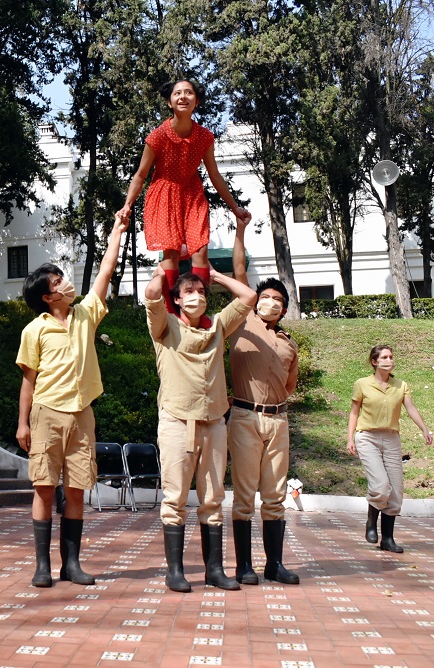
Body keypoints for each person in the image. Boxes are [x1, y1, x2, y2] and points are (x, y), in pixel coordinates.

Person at [16, 215, 129, 588]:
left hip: (82, 414)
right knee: (44, 489)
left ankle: (72, 565)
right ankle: (42, 566)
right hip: (47, 414)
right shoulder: (34, 330)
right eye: (58, 281)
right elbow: (28, 380)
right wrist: (23, 423)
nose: (66, 282)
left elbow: (106, 272)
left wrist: (115, 232)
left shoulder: (85, 316)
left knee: (77, 488)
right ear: (48, 297)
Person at [144, 262, 256, 592]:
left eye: (201, 292)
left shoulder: (218, 326)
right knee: (176, 497)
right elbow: (152, 296)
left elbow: (249, 296)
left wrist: (215, 276)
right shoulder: (164, 327)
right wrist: (160, 274)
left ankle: (215, 570)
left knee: (213, 497)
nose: (197, 297)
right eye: (189, 292)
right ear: (176, 299)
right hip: (178, 422)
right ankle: (175, 572)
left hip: (215, 424)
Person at [116, 79, 251, 312]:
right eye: (177, 93)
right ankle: (173, 313)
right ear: (170, 102)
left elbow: (215, 175)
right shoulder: (157, 136)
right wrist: (127, 205)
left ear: (196, 101)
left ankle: (199, 309)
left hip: (193, 194)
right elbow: (140, 175)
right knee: (171, 254)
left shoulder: (204, 137)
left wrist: (234, 207)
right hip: (164, 194)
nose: (183, 97)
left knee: (200, 251)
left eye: (188, 93)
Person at [227, 217, 300, 586]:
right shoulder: (243, 323)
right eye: (266, 298)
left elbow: (290, 384)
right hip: (243, 417)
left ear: (284, 309)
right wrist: (240, 230)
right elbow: (239, 269)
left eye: (278, 300)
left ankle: (274, 564)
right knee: (244, 496)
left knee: (275, 495)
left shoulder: (289, 342)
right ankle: (244, 566)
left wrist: (277, 406)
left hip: (278, 421)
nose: (271, 303)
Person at [346, 345, 433, 553]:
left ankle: (388, 539)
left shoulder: (400, 385)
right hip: (367, 437)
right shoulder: (362, 384)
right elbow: (354, 413)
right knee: (380, 485)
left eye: (391, 356)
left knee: (395, 490)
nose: (389, 360)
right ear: (374, 362)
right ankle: (370, 523)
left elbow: (410, 407)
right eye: (384, 357)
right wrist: (350, 439)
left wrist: (424, 429)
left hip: (392, 438)